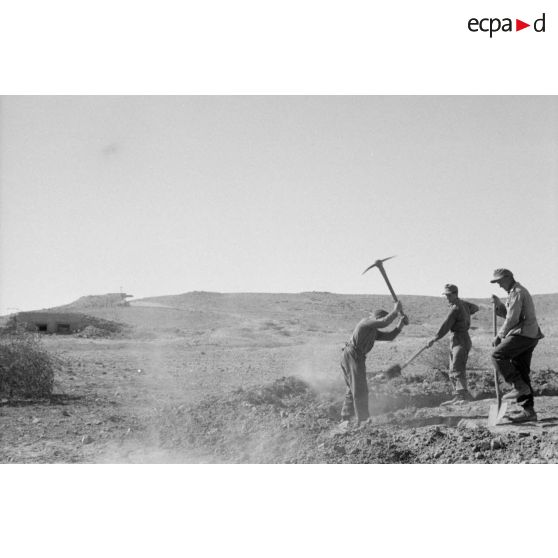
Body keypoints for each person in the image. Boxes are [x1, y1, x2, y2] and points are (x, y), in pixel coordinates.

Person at [490, 268, 544, 423]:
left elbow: (512, 319)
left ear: (508, 278)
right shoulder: (514, 292)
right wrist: (499, 305)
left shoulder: (517, 292)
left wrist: (500, 335)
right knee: (521, 370)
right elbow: (510, 315)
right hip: (529, 335)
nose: (499, 285)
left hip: (523, 334)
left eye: (500, 281)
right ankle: (529, 412)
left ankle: (519, 386)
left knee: (497, 355)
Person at [340, 300, 406, 423]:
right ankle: (363, 420)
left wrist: (401, 324)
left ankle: (346, 417)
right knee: (360, 388)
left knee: (352, 387)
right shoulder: (365, 322)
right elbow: (384, 322)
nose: (378, 323)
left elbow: (390, 336)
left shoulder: (373, 331)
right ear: (375, 319)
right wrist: (395, 311)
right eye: (378, 320)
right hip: (352, 355)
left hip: (354, 356)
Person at [427, 284, 479, 405]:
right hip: (459, 338)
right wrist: (466, 311)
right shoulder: (463, 304)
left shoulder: (455, 309)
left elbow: (446, 326)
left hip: (460, 338)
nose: (447, 297)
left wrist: (434, 338)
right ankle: (459, 395)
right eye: (446, 295)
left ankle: (462, 397)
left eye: (449, 295)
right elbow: (475, 308)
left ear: (455, 294)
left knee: (457, 367)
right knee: (453, 368)